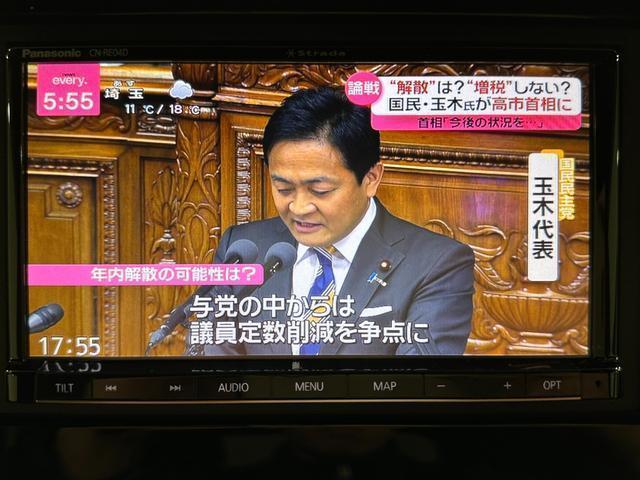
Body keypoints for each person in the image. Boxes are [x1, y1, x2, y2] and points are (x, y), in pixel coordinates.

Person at [199, 86, 474, 356]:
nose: (299, 208)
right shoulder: (242, 247)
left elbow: (416, 378)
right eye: (283, 188)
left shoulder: (437, 264)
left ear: (371, 179)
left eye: (320, 191)